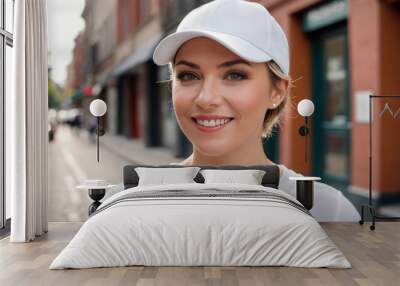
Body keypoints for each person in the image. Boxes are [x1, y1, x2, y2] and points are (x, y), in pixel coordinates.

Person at [152, 0, 360, 221]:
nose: (206, 99)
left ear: (277, 91)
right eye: (188, 75)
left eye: (235, 75)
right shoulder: (136, 199)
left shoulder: (328, 211)